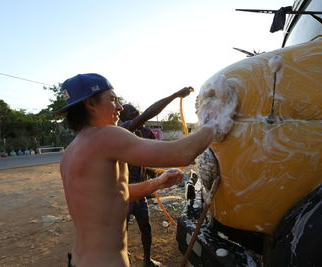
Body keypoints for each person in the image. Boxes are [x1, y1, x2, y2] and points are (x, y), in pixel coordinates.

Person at [56, 73, 230, 267]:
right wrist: (215, 120)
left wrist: (158, 182)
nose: (120, 107)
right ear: (90, 104)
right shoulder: (105, 136)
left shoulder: (71, 152)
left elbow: (114, 195)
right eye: (113, 100)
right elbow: (183, 153)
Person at [120, 87, 192, 267]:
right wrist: (175, 96)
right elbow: (146, 115)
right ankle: (120, 259)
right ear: (125, 118)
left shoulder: (144, 134)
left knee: (146, 228)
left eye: (136, 111)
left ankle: (146, 261)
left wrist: (153, 172)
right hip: (124, 193)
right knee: (120, 233)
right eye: (132, 112)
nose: (137, 113)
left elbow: (145, 159)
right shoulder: (121, 131)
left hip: (141, 191)